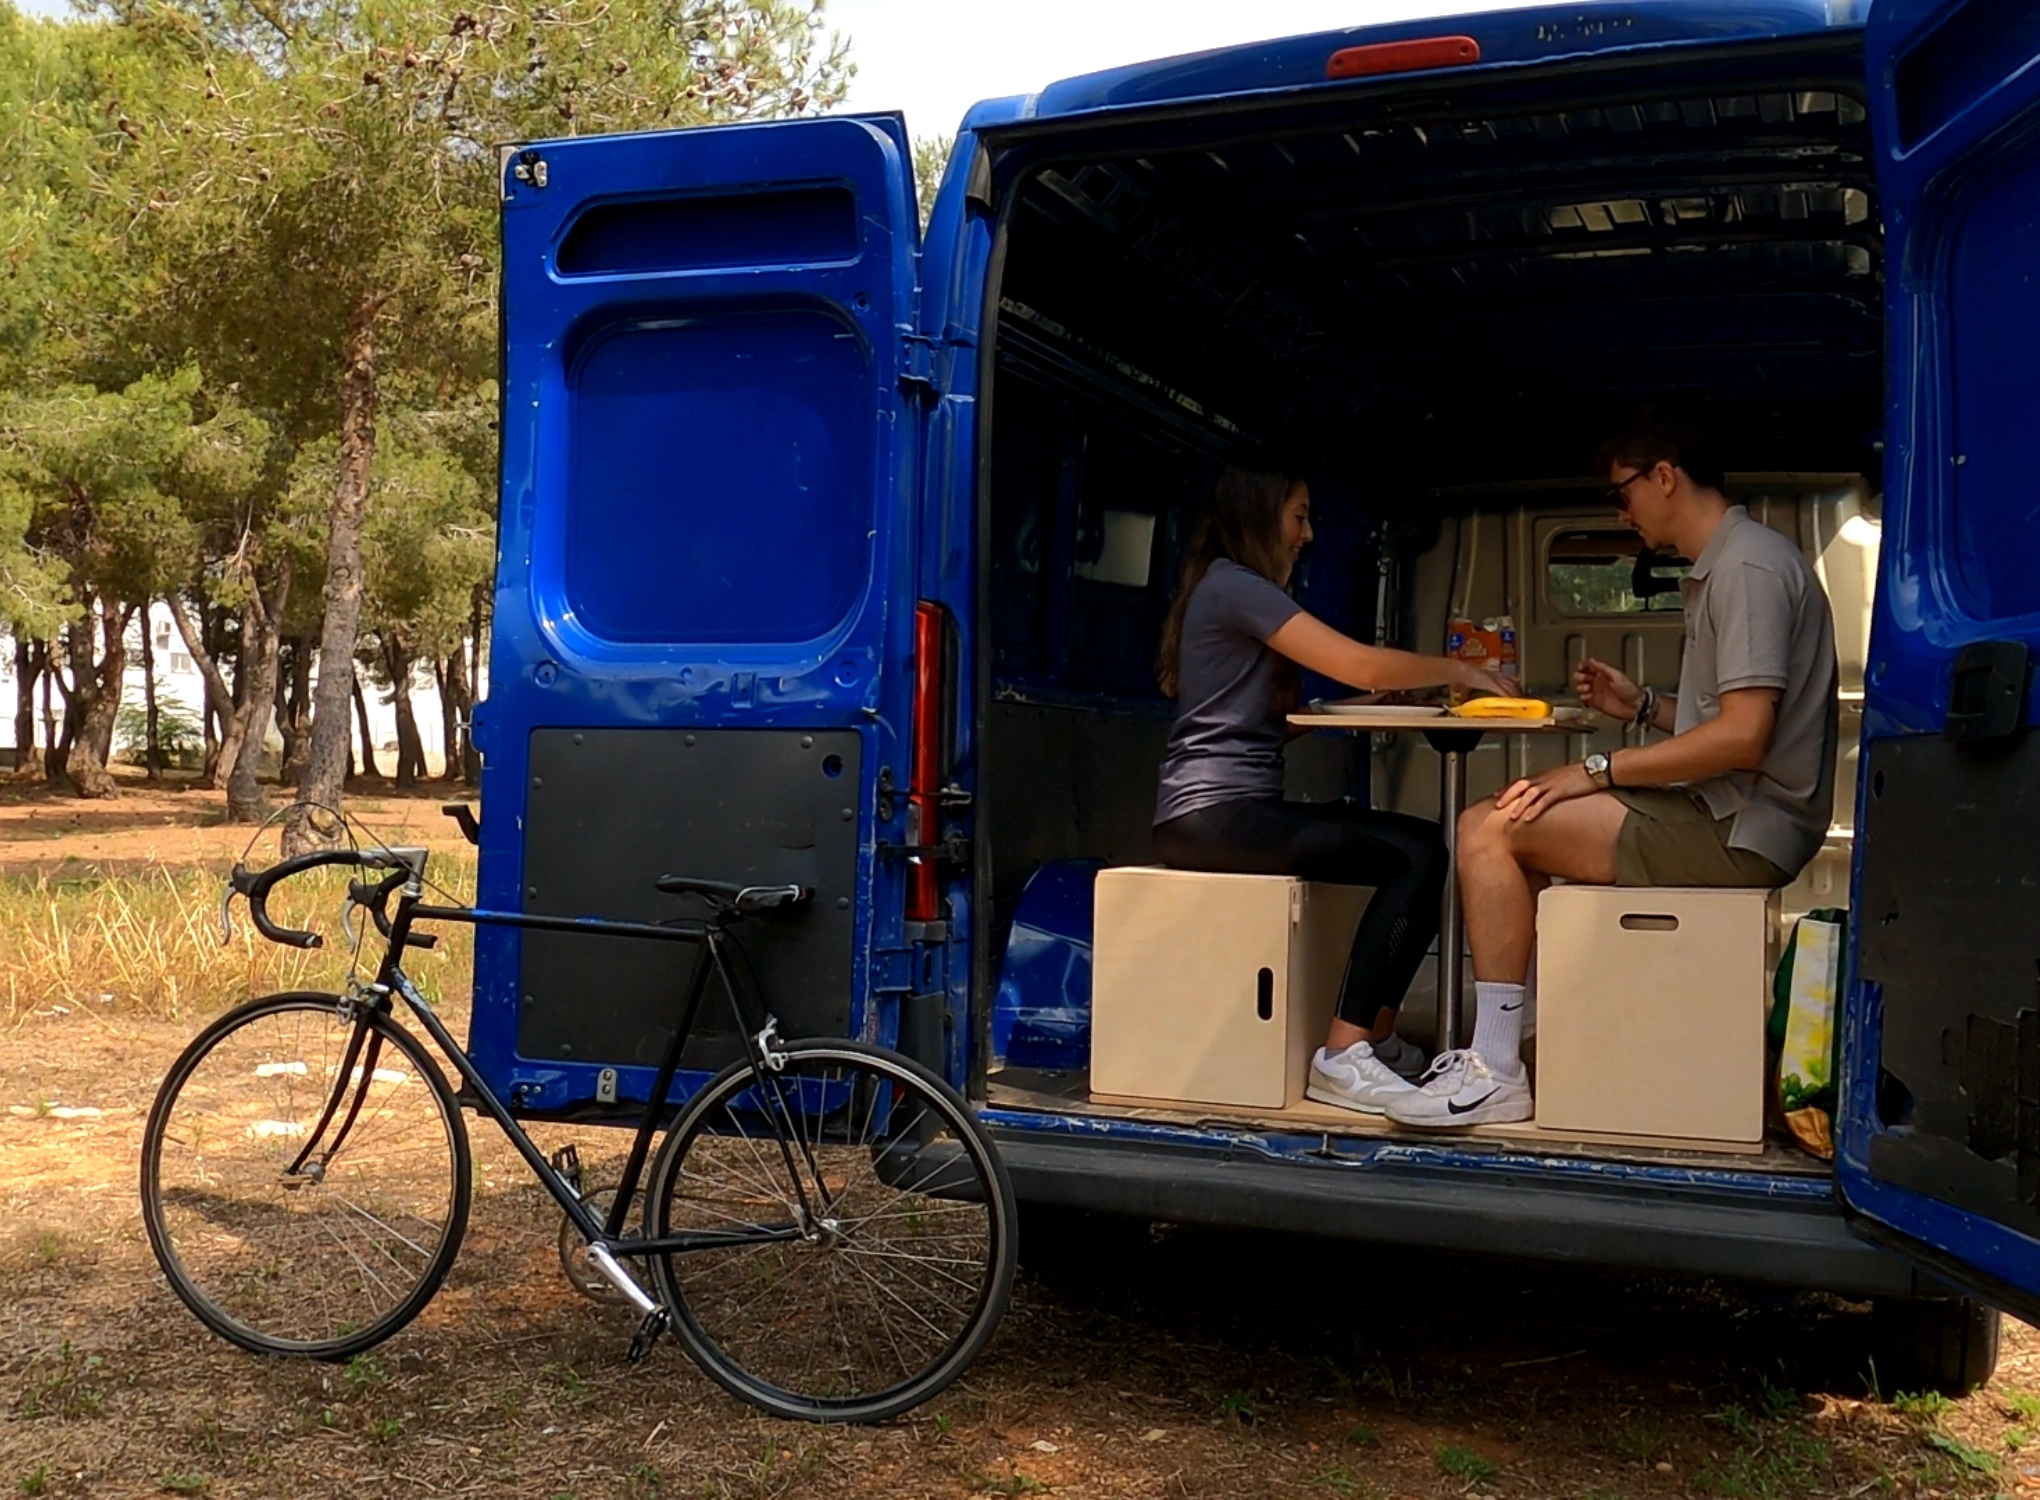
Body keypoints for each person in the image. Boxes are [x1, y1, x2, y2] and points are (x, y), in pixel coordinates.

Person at [1384, 413, 1840, 1128]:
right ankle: (1522, 1040)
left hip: (1742, 829)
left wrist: (1597, 770)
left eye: (1623, 493)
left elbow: (1745, 739)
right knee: (1521, 827)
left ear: (1666, 476)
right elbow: (1732, 727)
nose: (1622, 512)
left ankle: (1495, 1068)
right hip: (1732, 811)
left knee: (1487, 828)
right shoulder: (1731, 564)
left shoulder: (1746, 570)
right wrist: (1644, 706)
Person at [1150, 462, 1520, 1114]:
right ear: (1260, 515)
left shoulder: (1224, 586)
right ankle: (1344, 1055)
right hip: (1213, 813)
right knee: (1417, 853)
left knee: (1421, 847)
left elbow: (1258, 725)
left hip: (1220, 809)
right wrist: (1464, 670)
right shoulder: (1237, 585)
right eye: (1299, 517)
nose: (1309, 534)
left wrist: (1358, 705)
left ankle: (1372, 1037)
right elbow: (1357, 659)